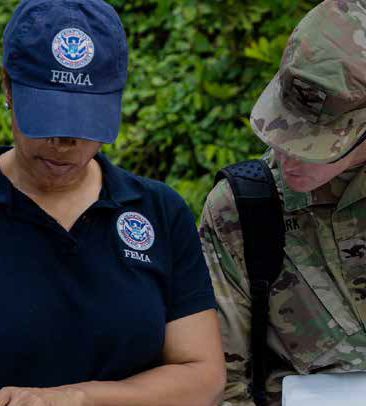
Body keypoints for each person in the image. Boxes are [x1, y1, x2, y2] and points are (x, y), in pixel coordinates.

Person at [0, 0, 226, 405]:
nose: (65, 142)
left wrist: (81, 398)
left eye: (84, 121)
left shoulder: (158, 211)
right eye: (47, 118)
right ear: (7, 88)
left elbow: (202, 375)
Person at [200, 0, 366, 405]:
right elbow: (219, 383)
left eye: (315, 142)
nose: (286, 153)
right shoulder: (242, 209)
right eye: (282, 126)